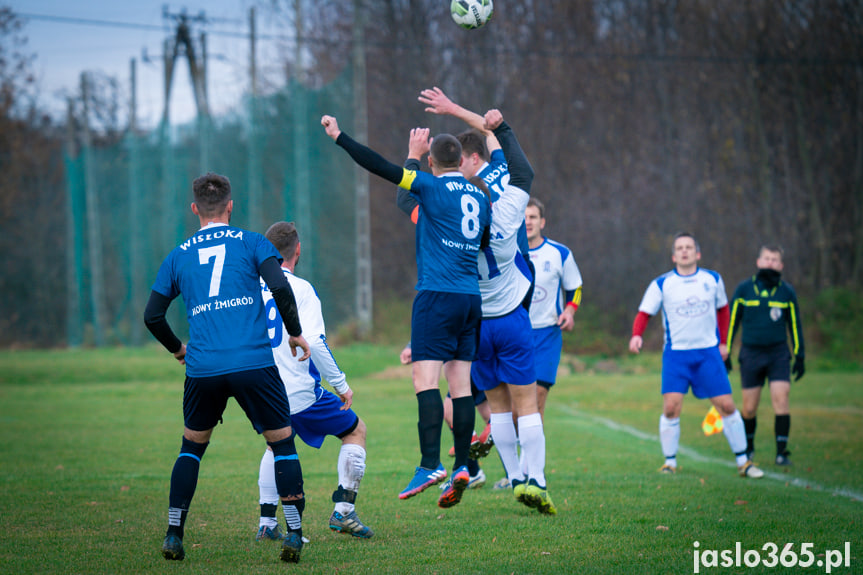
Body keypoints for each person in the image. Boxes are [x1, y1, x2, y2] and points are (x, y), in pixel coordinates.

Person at [321, 113, 491, 509]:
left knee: (425, 381)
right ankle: (464, 463)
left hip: (437, 294)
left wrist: (341, 136)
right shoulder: (480, 197)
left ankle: (431, 463)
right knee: (461, 385)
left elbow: (379, 167)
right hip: (470, 298)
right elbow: (482, 243)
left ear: (432, 161)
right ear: (462, 160)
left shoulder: (429, 185)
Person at [143, 172, 312, 563]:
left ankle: (173, 535)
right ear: (231, 206)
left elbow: (152, 315)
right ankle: (294, 534)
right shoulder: (253, 242)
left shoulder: (178, 255)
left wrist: (177, 348)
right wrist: (295, 332)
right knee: (282, 445)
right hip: (254, 362)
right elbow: (281, 287)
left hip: (203, 367)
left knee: (191, 449)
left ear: (194, 209)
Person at [418, 88, 556, 515]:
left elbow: (415, 198)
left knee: (497, 408)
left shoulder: (446, 218)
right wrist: (479, 117)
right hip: (513, 317)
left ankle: (514, 478)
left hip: (475, 323)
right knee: (526, 404)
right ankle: (538, 479)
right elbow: (513, 160)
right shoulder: (510, 204)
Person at [255, 221, 373, 541]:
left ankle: (267, 523)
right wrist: (341, 384)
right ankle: (344, 512)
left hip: (262, 390)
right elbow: (316, 343)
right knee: (355, 430)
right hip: (299, 390)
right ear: (297, 250)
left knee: (275, 443)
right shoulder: (301, 289)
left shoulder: (252, 288)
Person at [628, 232, 764, 479]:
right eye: (679, 247)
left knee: (727, 405)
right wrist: (637, 335)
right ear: (673, 255)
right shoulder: (662, 283)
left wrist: (723, 342)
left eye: (689, 247)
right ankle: (670, 462)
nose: (684, 251)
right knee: (670, 408)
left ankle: (744, 461)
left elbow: (724, 311)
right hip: (676, 357)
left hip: (708, 355)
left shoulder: (712, 279)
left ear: (697, 253)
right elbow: (644, 312)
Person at [727, 244, 805, 466]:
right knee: (749, 408)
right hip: (751, 354)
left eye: (774, 260)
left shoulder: (786, 292)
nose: (770, 263)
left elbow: (796, 326)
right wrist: (726, 351)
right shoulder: (744, 290)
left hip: (778, 354)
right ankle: (748, 449)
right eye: (766, 259)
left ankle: (782, 453)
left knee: (781, 399)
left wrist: (800, 355)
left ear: (781, 265)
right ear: (758, 262)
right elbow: (732, 322)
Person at [525, 197, 583, 418]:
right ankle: (514, 450)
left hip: (547, 334)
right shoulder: (507, 252)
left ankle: (531, 454)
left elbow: (574, 287)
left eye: (533, 217)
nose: (528, 222)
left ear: (542, 222)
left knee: (537, 399)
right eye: (524, 218)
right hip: (514, 333)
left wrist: (569, 311)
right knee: (513, 407)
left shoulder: (559, 253)